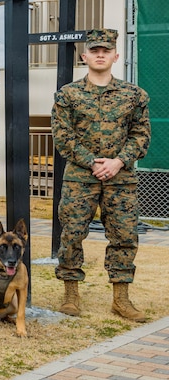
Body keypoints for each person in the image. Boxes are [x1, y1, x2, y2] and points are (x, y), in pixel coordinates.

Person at [52, 28, 150, 322]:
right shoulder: (68, 94)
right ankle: (71, 295)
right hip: (80, 179)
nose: (100, 55)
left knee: (124, 236)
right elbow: (62, 135)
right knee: (72, 234)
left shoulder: (134, 95)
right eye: (94, 50)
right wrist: (92, 162)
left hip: (121, 180)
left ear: (115, 56)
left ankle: (121, 299)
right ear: (85, 56)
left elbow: (141, 135)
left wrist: (118, 162)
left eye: (105, 51)